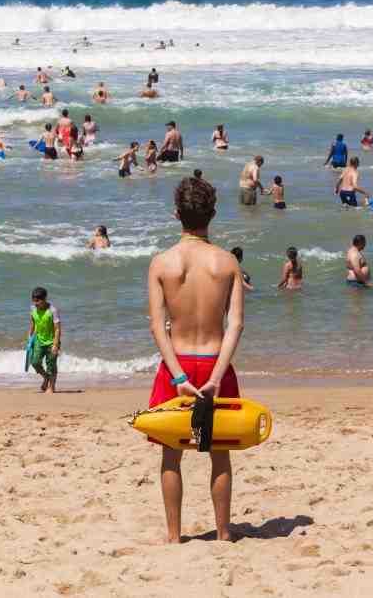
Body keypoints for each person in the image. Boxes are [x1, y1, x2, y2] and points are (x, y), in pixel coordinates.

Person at [147, 176, 244, 543]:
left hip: (178, 368)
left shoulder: (162, 263)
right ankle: (222, 534)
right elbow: (236, 325)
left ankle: (174, 537)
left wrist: (176, 378)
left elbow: (158, 328)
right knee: (220, 454)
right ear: (213, 213)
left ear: (176, 214)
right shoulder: (227, 262)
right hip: (215, 363)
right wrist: (217, 377)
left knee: (172, 456)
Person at [27, 287, 61, 393]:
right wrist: (29, 338)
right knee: (35, 362)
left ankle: (51, 387)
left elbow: (57, 328)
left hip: (52, 341)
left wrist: (55, 344)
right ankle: (46, 377)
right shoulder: (33, 309)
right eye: (34, 301)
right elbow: (32, 324)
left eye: (38, 301)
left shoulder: (52, 310)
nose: (36, 303)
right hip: (38, 340)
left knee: (51, 364)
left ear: (44, 299)